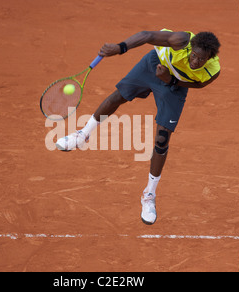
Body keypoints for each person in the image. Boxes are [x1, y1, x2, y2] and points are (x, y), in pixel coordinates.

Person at [55, 29, 221, 225]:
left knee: (162, 140)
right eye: (194, 55)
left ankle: (149, 195)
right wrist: (120, 47)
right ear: (190, 48)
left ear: (209, 58)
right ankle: (82, 135)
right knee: (117, 97)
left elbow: (200, 84)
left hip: (174, 85)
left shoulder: (213, 70)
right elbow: (148, 35)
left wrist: (173, 80)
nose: (195, 62)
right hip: (153, 65)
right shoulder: (181, 40)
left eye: (201, 59)